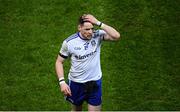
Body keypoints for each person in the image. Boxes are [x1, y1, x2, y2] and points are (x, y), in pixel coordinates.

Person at [55, 14, 120, 111]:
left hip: (95, 82)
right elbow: (59, 62)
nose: (90, 32)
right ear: (79, 27)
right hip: (77, 83)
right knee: (77, 110)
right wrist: (62, 82)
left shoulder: (97, 35)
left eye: (92, 28)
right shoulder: (69, 43)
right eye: (87, 29)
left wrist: (99, 23)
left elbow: (116, 36)